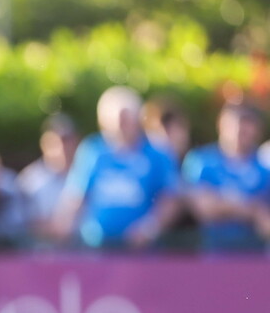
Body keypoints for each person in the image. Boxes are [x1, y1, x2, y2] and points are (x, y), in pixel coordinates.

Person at [54, 86, 181, 250]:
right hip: (97, 247)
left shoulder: (157, 154)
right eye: (115, 119)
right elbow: (76, 196)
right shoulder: (92, 150)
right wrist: (63, 225)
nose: (120, 125)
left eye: (125, 118)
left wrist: (149, 228)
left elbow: (170, 199)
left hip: (143, 250)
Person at [182, 100, 270, 252]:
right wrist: (253, 210)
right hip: (212, 255)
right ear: (220, 124)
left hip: (255, 258)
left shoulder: (264, 167)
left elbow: (266, 225)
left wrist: (223, 202)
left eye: (246, 122)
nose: (239, 128)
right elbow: (205, 209)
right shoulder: (200, 161)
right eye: (234, 122)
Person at [16, 113, 79, 247]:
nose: (62, 146)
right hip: (41, 255)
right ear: (44, 143)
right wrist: (51, 228)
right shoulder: (30, 180)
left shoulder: (86, 174)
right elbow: (19, 222)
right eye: (56, 140)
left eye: (67, 139)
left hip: (86, 255)